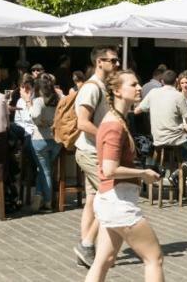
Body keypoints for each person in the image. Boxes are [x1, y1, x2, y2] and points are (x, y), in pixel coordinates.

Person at [83, 70, 164, 282]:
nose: (139, 88)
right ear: (117, 91)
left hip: (112, 199)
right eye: (133, 84)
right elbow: (109, 169)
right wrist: (143, 173)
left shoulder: (117, 120)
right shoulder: (114, 126)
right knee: (154, 257)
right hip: (118, 201)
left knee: (104, 259)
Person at [73, 46, 119, 270]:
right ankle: (87, 244)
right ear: (99, 62)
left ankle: (87, 248)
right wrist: (105, 136)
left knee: (93, 199)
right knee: (110, 196)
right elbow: (82, 122)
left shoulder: (102, 86)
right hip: (91, 151)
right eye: (113, 60)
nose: (117, 64)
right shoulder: (91, 88)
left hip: (93, 150)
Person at [137, 71, 187, 182]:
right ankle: (179, 172)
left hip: (158, 139)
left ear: (161, 81)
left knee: (186, 147)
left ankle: (182, 169)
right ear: (176, 81)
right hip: (177, 140)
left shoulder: (153, 93)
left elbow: (137, 110)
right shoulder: (179, 96)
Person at [17, 74, 60, 212]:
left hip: (40, 139)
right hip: (56, 140)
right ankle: (39, 196)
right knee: (45, 170)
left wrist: (29, 103)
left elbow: (34, 115)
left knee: (45, 170)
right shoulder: (58, 99)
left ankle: (47, 202)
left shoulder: (39, 101)